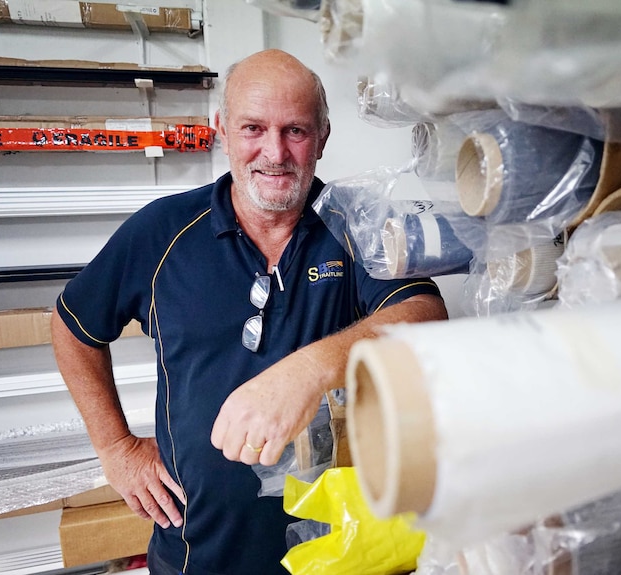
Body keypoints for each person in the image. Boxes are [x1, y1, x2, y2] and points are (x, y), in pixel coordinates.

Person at [51, 49, 448, 575]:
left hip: (348, 551)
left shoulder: (359, 224)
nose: (275, 152)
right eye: (253, 128)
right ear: (222, 130)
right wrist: (117, 448)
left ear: (323, 138)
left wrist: (308, 371)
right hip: (201, 555)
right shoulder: (162, 232)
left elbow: (424, 314)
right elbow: (73, 326)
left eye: (296, 131)